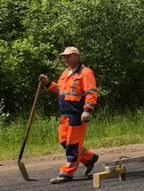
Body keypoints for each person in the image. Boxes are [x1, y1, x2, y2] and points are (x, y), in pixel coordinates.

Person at [39, 46, 99, 184]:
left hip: (77, 114)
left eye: (68, 56)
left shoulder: (85, 72)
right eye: (64, 57)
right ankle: (89, 158)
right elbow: (60, 90)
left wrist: (87, 110)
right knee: (63, 141)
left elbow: (91, 92)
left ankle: (67, 172)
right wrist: (48, 83)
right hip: (65, 114)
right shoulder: (66, 73)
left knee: (73, 144)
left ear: (76, 56)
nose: (65, 59)